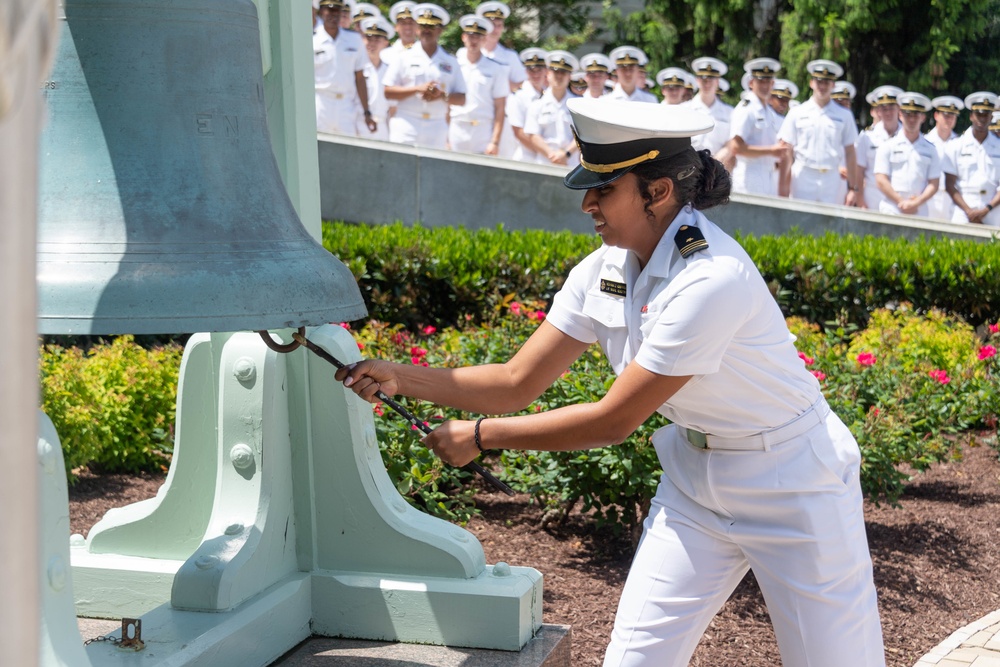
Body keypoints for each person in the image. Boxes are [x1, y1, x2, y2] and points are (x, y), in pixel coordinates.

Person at [335, 96, 887, 667]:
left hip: (793, 481)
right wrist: (399, 377)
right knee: (633, 660)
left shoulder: (710, 280)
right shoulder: (603, 266)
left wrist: (479, 437)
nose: (588, 205)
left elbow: (614, 420)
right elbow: (515, 380)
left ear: (658, 191)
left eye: (604, 189)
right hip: (695, 482)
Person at [382, 3, 466, 149]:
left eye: (431, 26)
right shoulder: (403, 57)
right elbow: (388, 91)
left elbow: (462, 98)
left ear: (440, 30)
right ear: (417, 29)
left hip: (436, 125)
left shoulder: (451, 62)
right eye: (423, 26)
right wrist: (417, 89)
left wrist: (441, 95)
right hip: (406, 122)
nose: (426, 30)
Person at [777, 59, 860, 205]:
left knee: (830, 225)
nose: (822, 86)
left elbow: (850, 152)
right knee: (799, 224)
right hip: (803, 176)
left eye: (826, 82)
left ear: (833, 85)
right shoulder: (797, 112)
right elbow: (787, 151)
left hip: (832, 179)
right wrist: (783, 186)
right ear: (811, 83)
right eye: (819, 81)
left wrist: (853, 188)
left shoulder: (844, 115)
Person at [725, 57, 789, 197]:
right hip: (749, 178)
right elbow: (736, 147)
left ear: (772, 83)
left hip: (767, 177)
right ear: (751, 83)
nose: (765, 86)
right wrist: (771, 151)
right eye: (761, 81)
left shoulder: (768, 112)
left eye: (768, 81)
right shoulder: (746, 108)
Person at [314, 0, 378, 137]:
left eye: (337, 10)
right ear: (321, 11)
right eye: (329, 10)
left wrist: (366, 112)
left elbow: (360, 78)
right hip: (320, 101)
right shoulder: (311, 39)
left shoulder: (354, 39)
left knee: (347, 149)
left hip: (346, 104)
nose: (333, 14)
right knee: (318, 148)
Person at [873, 92, 940, 216]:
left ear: (923, 117)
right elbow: (880, 179)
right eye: (908, 114)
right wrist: (901, 201)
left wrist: (916, 203)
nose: (912, 119)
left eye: (916, 115)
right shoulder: (887, 146)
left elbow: (934, 184)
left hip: (919, 209)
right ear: (900, 115)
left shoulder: (931, 150)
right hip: (891, 208)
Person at [449, 14, 508, 155]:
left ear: (485, 39)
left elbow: (500, 107)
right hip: (457, 126)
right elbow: (446, 100)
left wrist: (494, 141)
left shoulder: (496, 68)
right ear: (463, 37)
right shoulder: (453, 64)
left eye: (478, 36)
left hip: (482, 131)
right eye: (470, 36)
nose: (473, 40)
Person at [943, 91, 1000, 227]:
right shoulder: (955, 145)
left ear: (991, 116)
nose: (982, 119)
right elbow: (950, 184)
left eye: (986, 114)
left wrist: (986, 209)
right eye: (978, 114)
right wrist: (968, 211)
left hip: (993, 211)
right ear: (971, 116)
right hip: (962, 211)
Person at [523, 50, 580, 168]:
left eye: (563, 73)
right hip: (544, 163)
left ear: (569, 76)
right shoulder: (537, 104)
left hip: (571, 164)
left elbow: (582, 134)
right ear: (548, 74)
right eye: (556, 72)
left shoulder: (577, 105)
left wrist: (566, 154)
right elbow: (533, 135)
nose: (559, 77)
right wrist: (552, 155)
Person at [855, 85, 903, 210]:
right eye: (883, 108)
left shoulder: (908, 137)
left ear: (899, 109)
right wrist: (860, 201)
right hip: (872, 197)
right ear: (878, 111)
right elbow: (859, 172)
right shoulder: (866, 137)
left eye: (891, 108)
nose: (888, 112)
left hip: (900, 198)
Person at [683, 56, 734, 165]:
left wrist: (716, 161)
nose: (707, 83)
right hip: (689, 167)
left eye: (711, 79)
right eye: (703, 79)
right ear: (697, 80)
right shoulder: (684, 109)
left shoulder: (729, 112)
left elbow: (732, 142)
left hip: (718, 168)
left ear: (718, 82)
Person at [924, 95, 963, 221]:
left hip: (952, 198)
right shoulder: (925, 141)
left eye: (952, 116)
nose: (949, 119)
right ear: (936, 116)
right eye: (946, 115)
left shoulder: (960, 143)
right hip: (930, 197)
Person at [357, 16, 395, 141]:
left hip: (382, 125)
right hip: (358, 122)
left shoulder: (390, 69)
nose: (372, 43)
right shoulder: (357, 69)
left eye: (377, 39)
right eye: (368, 39)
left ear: (386, 42)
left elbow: (392, 106)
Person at [475, 1, 526, 93]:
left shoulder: (510, 56)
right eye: (493, 25)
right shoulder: (471, 54)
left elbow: (523, 85)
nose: (496, 29)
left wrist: (500, 82)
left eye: (499, 25)